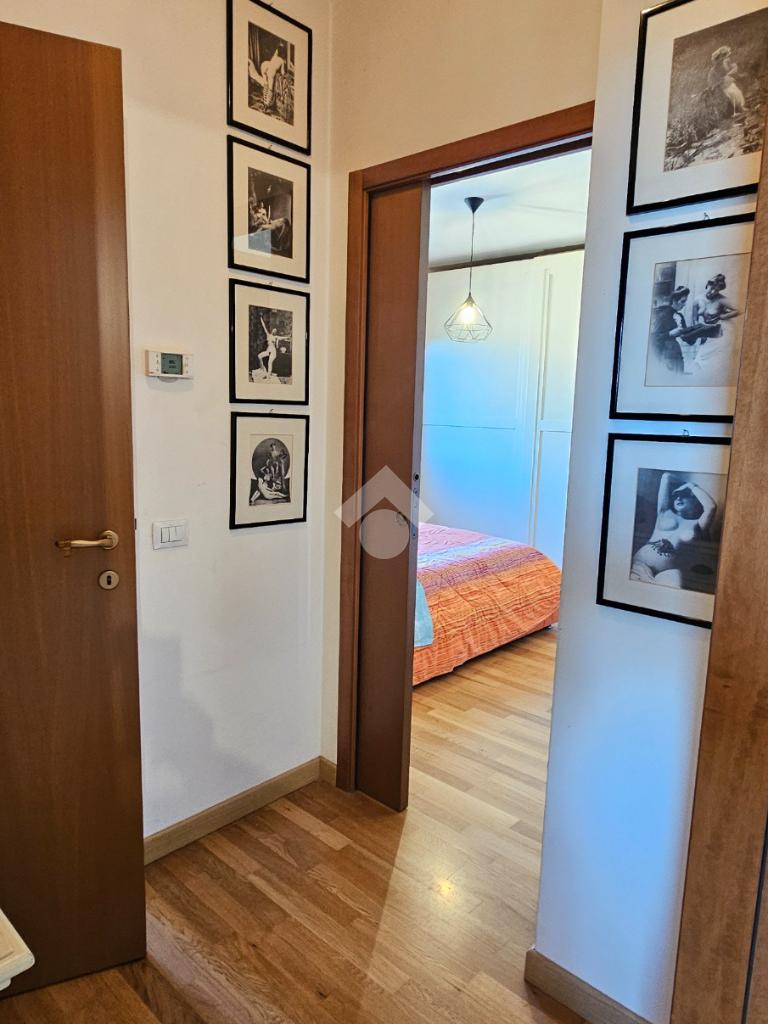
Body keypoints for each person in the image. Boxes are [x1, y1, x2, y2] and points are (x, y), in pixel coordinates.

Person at [630, 473, 717, 591]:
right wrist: (683, 484)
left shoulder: (698, 524)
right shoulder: (665, 512)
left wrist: (691, 485)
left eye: (684, 495)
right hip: (640, 565)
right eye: (676, 496)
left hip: (667, 574)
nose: (679, 498)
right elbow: (666, 477)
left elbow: (711, 507)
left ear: (696, 502)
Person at [650, 286, 691, 374]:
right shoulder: (663, 315)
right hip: (665, 356)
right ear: (674, 301)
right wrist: (670, 333)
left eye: (685, 301)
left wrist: (700, 332)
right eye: (682, 301)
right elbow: (654, 338)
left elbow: (688, 339)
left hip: (677, 355)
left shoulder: (680, 316)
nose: (684, 304)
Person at [708, 46, 746, 119]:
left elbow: (731, 69)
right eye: (717, 60)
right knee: (732, 96)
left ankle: (741, 107)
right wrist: (721, 81)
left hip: (729, 83)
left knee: (738, 93)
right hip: (724, 86)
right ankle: (735, 111)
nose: (720, 61)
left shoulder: (725, 63)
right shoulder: (713, 71)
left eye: (720, 59)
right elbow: (714, 81)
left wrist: (730, 73)